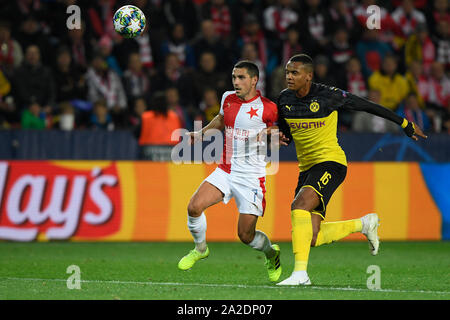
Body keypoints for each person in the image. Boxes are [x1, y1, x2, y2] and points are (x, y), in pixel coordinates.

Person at [271, 54, 427, 286]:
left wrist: (403, 123)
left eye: (295, 73)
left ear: (309, 76)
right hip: (306, 168)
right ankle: (364, 224)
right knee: (311, 237)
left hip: (331, 163)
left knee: (299, 206)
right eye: (287, 73)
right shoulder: (284, 100)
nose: (289, 77)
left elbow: (367, 106)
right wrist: (281, 137)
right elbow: (286, 132)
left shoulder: (328, 96)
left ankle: (300, 275)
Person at [177, 61, 282, 282]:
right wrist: (201, 133)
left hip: (251, 177)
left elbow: (277, 130)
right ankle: (200, 249)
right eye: (234, 77)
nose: (236, 82)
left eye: (241, 77)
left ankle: (271, 255)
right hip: (225, 170)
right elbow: (222, 119)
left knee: (245, 235)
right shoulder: (227, 98)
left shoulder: (268, 107)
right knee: (194, 207)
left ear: (254, 80)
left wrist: (275, 136)